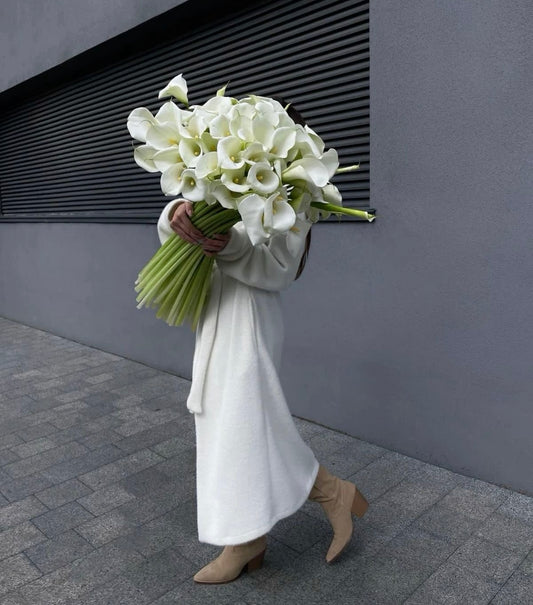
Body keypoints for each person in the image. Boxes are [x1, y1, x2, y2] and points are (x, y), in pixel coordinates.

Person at [155, 102, 368, 585]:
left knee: (245, 423)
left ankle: (286, 518)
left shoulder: (302, 191)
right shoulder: (219, 167)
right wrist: (177, 214)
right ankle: (256, 533)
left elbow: (280, 271)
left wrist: (228, 245)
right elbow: (173, 232)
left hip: (249, 316)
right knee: (229, 422)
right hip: (215, 310)